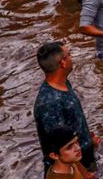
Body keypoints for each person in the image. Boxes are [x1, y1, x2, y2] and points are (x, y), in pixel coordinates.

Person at [33, 42, 96, 170]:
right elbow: (61, 148)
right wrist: (85, 174)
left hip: (82, 155)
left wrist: (88, 138)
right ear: (63, 63)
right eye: (69, 55)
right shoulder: (49, 103)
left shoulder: (64, 83)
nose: (72, 58)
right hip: (74, 167)